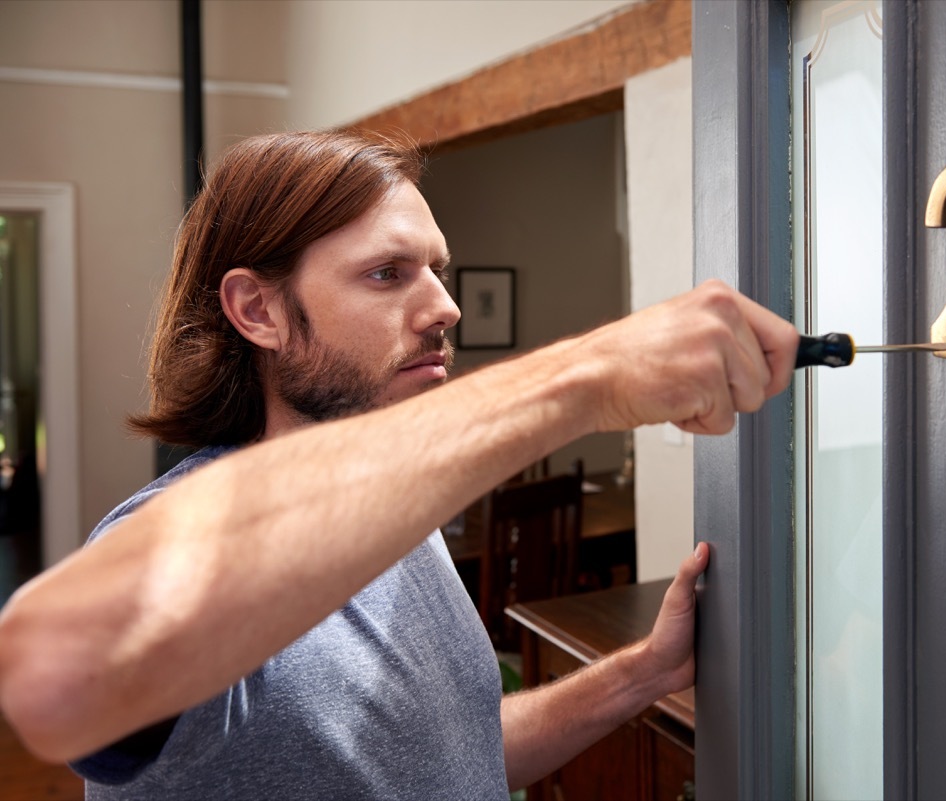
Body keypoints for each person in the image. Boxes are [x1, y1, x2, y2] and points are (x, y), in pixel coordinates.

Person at [0, 130, 799, 799]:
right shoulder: (175, 540)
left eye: (436, 271)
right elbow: (53, 669)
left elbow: (449, 752)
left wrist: (640, 674)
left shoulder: (403, 521)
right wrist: (587, 376)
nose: (445, 307)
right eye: (387, 274)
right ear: (260, 311)